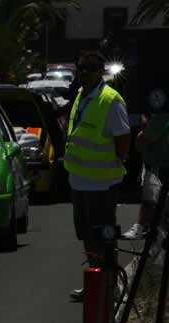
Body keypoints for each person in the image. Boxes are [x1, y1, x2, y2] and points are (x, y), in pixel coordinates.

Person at [64, 51, 131, 302]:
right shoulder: (82, 95)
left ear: (100, 71)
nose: (83, 73)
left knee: (103, 235)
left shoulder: (110, 100)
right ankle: (94, 280)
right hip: (79, 181)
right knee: (86, 235)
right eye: (80, 68)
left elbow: (123, 138)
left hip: (102, 183)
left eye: (89, 69)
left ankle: (110, 284)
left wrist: (115, 163)